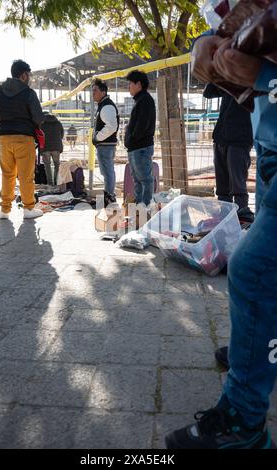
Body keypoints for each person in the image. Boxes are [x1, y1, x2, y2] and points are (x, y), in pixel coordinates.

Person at [166, 30, 277, 449]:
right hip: (269, 152)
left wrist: (264, 76)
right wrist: (221, 64)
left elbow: (266, 79)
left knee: (253, 268)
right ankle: (258, 345)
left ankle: (244, 424)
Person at [0, 59, 44, 220]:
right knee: (25, 175)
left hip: (4, 137)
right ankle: (28, 208)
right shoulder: (28, 93)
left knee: (7, 174)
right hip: (24, 138)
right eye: (29, 75)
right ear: (23, 75)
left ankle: (5, 210)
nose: (30, 78)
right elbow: (38, 118)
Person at [203, 84, 254, 222]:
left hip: (240, 138)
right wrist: (219, 73)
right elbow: (208, 93)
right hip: (221, 136)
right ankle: (224, 213)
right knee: (222, 184)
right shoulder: (228, 77)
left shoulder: (252, 77)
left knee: (237, 181)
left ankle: (242, 212)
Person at [124, 70, 156, 207]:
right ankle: (139, 207)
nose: (129, 87)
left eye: (130, 83)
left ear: (138, 84)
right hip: (136, 147)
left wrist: (131, 138)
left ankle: (146, 207)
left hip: (140, 147)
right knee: (137, 180)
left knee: (145, 179)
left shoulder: (145, 101)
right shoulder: (140, 100)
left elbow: (142, 125)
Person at [92, 78, 119, 205]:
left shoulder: (107, 106)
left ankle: (109, 196)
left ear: (103, 92)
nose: (93, 93)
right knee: (107, 172)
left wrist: (98, 137)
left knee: (107, 172)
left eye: (95, 90)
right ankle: (109, 195)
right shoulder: (104, 105)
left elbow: (111, 126)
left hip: (106, 145)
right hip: (105, 145)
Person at [40, 112, 64, 186]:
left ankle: (50, 183)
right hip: (56, 147)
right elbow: (62, 135)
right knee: (57, 165)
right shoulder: (58, 123)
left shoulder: (41, 124)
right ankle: (56, 182)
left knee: (47, 165)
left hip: (45, 148)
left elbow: (39, 135)